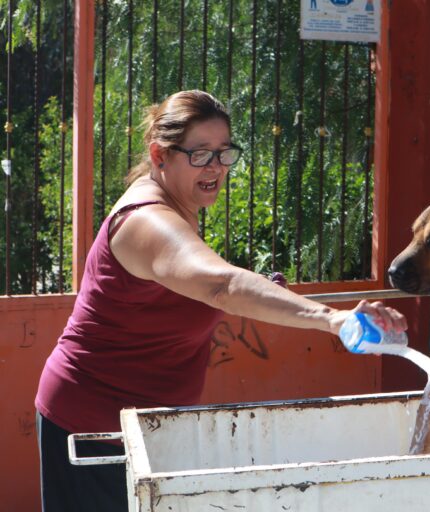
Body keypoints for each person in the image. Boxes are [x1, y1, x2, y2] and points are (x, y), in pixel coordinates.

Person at [34, 89, 406, 512]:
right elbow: (222, 287)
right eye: (200, 155)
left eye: (224, 153)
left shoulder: (178, 205)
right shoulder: (147, 221)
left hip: (149, 427)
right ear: (159, 155)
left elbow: (206, 289)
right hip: (92, 425)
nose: (215, 167)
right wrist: (333, 320)